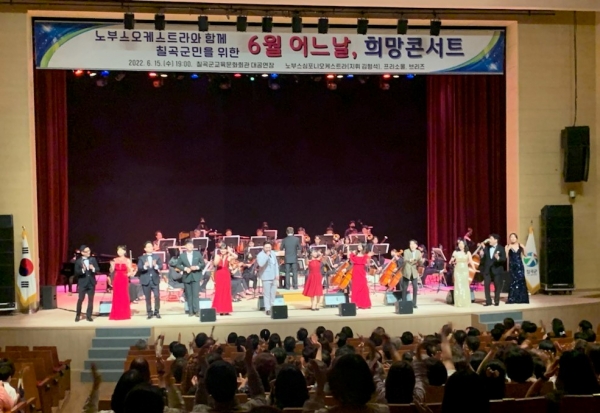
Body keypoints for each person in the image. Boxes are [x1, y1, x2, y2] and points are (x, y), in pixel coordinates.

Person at [176, 238, 205, 317]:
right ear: (185, 246)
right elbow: (178, 265)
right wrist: (185, 269)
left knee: (195, 295)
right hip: (187, 277)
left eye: (191, 245)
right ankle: (190, 311)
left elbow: (203, 264)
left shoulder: (197, 254)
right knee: (189, 295)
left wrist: (196, 267)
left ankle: (197, 311)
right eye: (188, 245)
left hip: (196, 276)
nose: (190, 246)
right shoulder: (182, 256)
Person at [479, 234, 506, 306]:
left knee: (497, 286)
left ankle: (496, 301)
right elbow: (483, 260)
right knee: (486, 286)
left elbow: (504, 259)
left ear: (496, 240)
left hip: (497, 270)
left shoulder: (501, 248)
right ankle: (488, 301)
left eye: (491, 239)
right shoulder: (486, 248)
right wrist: (481, 255)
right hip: (487, 270)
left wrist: (498, 258)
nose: (489, 240)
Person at [449, 239, 477, 308]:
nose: (460, 245)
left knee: (465, 285)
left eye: (462, 244)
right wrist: (452, 261)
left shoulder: (468, 252)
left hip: (465, 270)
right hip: (457, 270)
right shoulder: (455, 252)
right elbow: (451, 261)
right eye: (459, 244)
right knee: (458, 285)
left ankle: (465, 302)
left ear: (465, 244)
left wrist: (474, 269)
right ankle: (458, 302)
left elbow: (471, 261)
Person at [138, 241, 163, 319]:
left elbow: (161, 266)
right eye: (148, 247)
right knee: (147, 297)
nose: (150, 248)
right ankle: (149, 312)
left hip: (155, 279)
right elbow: (139, 268)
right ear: (145, 249)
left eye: (151, 246)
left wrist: (156, 265)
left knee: (157, 296)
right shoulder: (141, 258)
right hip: (146, 280)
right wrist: (145, 266)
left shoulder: (157, 257)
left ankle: (157, 311)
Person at [109, 245, 134, 320]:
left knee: (124, 295)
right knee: (117, 296)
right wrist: (111, 266)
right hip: (117, 279)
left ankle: (124, 314)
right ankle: (116, 314)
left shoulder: (127, 260)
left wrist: (127, 274)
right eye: (118, 250)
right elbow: (111, 271)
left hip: (124, 279)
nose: (119, 252)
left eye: (121, 250)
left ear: (124, 251)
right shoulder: (115, 260)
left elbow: (131, 271)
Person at [74, 245, 98, 322]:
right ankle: (78, 315)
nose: (88, 253)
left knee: (91, 300)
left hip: (91, 283)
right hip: (82, 283)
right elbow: (76, 272)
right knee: (81, 299)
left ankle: (89, 316)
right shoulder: (78, 261)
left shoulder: (93, 259)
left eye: (89, 251)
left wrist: (93, 268)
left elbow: (97, 269)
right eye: (86, 251)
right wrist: (83, 270)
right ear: (82, 253)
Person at [212, 243, 237, 316]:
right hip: (219, 274)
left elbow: (236, 256)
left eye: (224, 249)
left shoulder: (228, 256)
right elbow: (215, 264)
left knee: (226, 291)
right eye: (221, 249)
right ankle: (219, 309)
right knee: (219, 291)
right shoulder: (217, 256)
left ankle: (226, 310)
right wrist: (219, 258)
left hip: (226, 274)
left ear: (226, 250)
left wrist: (230, 251)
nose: (222, 251)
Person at [505, 233, 529, 304]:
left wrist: (524, 248)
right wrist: (507, 249)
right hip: (512, 266)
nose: (512, 238)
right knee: (513, 281)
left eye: (514, 237)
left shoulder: (520, 245)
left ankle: (522, 298)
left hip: (520, 265)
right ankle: (512, 298)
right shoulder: (507, 246)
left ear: (516, 238)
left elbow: (526, 255)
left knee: (521, 281)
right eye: (511, 237)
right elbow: (506, 257)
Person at [256, 241, 278, 316]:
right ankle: (267, 309)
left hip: (274, 276)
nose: (268, 249)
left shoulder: (273, 253)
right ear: (263, 247)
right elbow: (261, 264)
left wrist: (277, 274)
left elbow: (276, 264)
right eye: (266, 247)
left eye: (269, 247)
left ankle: (272, 307)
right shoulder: (260, 255)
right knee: (267, 294)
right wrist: (266, 255)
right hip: (266, 277)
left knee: (273, 293)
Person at [348, 243, 372, 309]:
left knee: (364, 287)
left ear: (363, 247)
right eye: (358, 246)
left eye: (360, 246)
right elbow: (351, 260)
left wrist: (369, 257)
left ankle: (364, 303)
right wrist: (349, 250)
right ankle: (355, 304)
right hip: (355, 271)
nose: (358, 247)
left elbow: (368, 264)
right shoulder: (354, 254)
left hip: (362, 272)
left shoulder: (365, 255)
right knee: (355, 288)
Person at [401, 240, 422, 309]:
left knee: (415, 287)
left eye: (413, 244)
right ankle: (403, 302)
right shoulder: (406, 251)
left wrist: (421, 261)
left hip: (414, 271)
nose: (412, 246)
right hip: (407, 270)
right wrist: (411, 260)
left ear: (416, 246)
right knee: (405, 287)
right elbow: (405, 260)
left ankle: (414, 303)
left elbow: (420, 261)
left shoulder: (418, 252)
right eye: (410, 244)